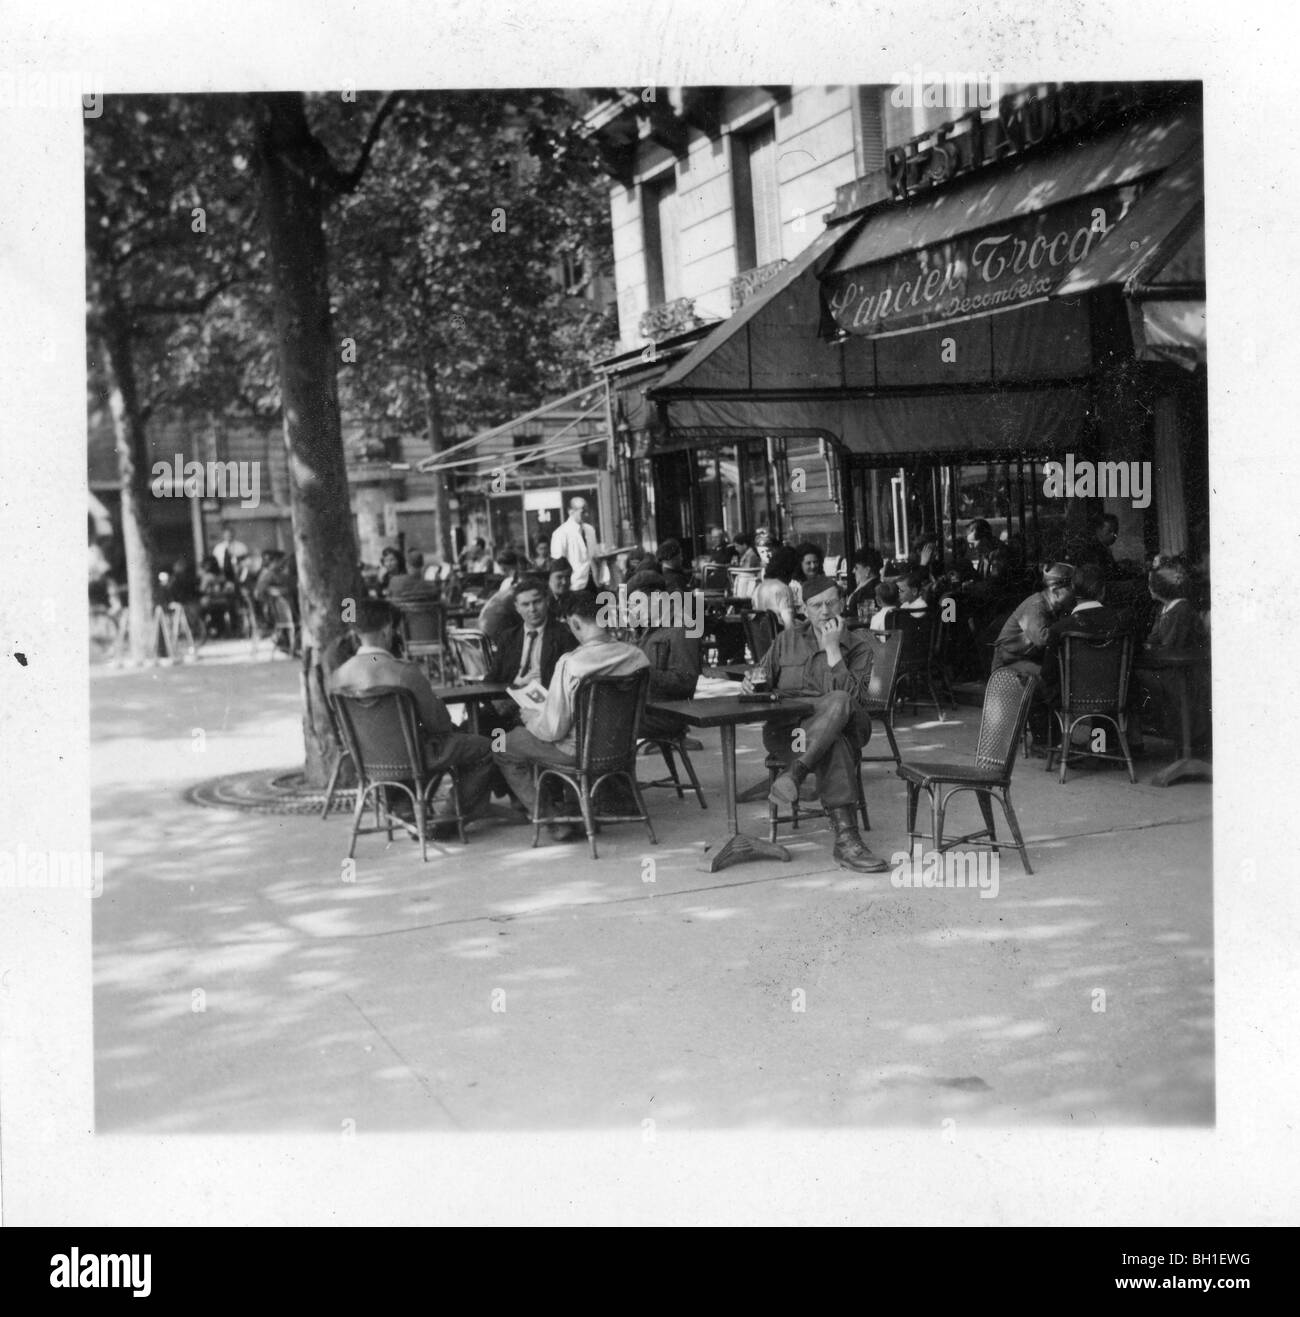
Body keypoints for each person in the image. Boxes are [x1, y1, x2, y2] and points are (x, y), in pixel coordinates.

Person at [742, 575, 888, 873]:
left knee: (838, 702)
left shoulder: (860, 647)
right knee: (832, 743)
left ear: (843, 603)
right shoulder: (786, 640)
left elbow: (854, 700)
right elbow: (761, 678)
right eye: (816, 605)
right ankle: (847, 842)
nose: (825, 611)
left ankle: (794, 774)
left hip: (848, 725)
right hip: (790, 732)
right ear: (804, 609)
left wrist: (834, 650)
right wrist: (749, 683)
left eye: (831, 603)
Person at [329, 599, 500, 835]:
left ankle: (406, 808)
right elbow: (439, 724)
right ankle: (449, 819)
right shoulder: (404, 672)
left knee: (426, 745)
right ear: (388, 630)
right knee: (483, 749)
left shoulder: (338, 676)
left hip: (368, 763)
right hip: (416, 757)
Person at [494, 590, 650, 842]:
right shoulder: (638, 656)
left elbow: (553, 729)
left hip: (575, 752)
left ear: (575, 623)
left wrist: (531, 717)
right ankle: (577, 811)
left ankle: (551, 820)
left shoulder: (572, 664)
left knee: (502, 745)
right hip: (620, 749)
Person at [1132, 562, 1211, 752]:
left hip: (1183, 675)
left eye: (1151, 584)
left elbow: (1170, 648)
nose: (1149, 588)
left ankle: (1137, 740)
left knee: (1133, 679)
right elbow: (1154, 638)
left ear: (1160, 589)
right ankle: (1135, 740)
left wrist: (1150, 647)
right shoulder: (1165, 609)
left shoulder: (1181, 610)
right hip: (1170, 669)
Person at [482, 574, 578, 730]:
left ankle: (503, 750)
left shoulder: (563, 635)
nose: (532, 609)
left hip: (544, 706)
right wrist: (514, 686)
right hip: (509, 699)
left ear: (547, 601)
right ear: (517, 608)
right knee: (478, 723)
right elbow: (491, 679)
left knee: (508, 727)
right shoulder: (508, 637)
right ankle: (498, 752)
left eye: (537, 602)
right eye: (525, 604)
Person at [1037, 563, 1134, 709]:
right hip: (1115, 698)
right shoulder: (1122, 623)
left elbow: (1048, 674)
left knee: (1034, 692)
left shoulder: (1059, 628)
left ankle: (1060, 732)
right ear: (1102, 591)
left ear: (1073, 590)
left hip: (1069, 699)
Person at [624, 570, 702, 743]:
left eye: (636, 604)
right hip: (648, 709)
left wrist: (642, 673)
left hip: (669, 715)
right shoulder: (647, 630)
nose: (632, 612)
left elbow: (686, 681)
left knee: (604, 721)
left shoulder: (682, 628)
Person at [990, 563, 1075, 676]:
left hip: (1026, 660)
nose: (1075, 594)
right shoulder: (1036, 605)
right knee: (1053, 677)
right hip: (1008, 665)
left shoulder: (1055, 607)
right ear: (1055, 591)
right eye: (1071, 589)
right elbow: (1042, 639)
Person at [549, 496, 601, 590]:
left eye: (588, 511)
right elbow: (559, 563)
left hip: (593, 582)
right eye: (583, 511)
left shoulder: (590, 530)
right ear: (571, 511)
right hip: (575, 584)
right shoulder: (561, 533)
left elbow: (594, 555)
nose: (587, 515)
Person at [476, 549, 525, 642]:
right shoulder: (511, 582)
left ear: (503, 566)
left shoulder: (511, 582)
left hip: (487, 632)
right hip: (501, 631)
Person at [752, 545, 799, 630]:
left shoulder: (759, 588)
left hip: (762, 641)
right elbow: (789, 626)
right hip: (780, 640)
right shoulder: (783, 589)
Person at [845, 548, 883, 617]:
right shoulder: (876, 586)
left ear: (867, 570)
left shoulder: (868, 591)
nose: (853, 571)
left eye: (856, 568)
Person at [544, 557, 572, 622]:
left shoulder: (574, 599)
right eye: (559, 577)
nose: (564, 582)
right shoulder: (542, 601)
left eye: (568, 577)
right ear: (548, 578)